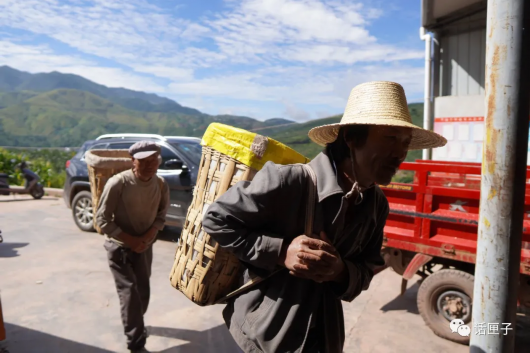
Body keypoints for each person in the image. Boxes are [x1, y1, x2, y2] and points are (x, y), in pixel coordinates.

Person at [202, 81, 447, 353]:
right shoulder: (290, 181)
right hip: (263, 338)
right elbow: (215, 218)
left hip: (326, 338)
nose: (401, 152)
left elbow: (367, 269)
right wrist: (282, 252)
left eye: (405, 142)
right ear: (351, 138)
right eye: (390, 138)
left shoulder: (377, 204)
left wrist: (340, 271)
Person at [95, 141, 169, 353]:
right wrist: (131, 240)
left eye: (153, 159)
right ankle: (136, 344)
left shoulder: (161, 184)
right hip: (119, 248)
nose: (149, 164)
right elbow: (102, 219)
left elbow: (161, 216)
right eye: (143, 160)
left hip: (145, 246)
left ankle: (136, 324)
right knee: (129, 294)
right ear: (132, 161)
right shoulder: (119, 183)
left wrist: (147, 238)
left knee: (143, 292)